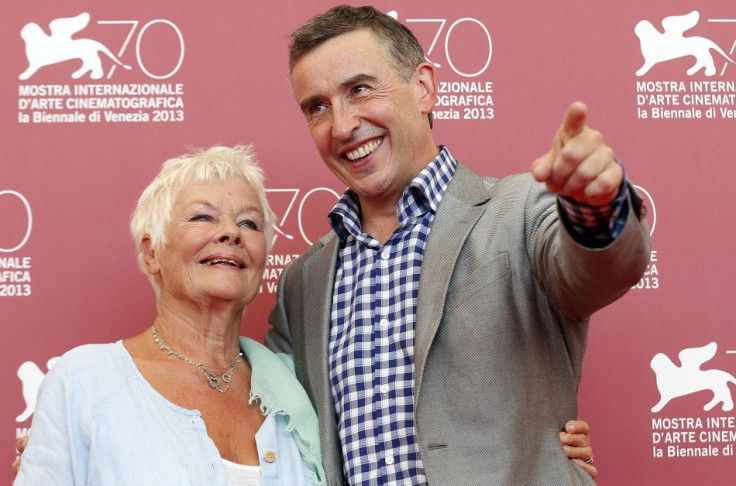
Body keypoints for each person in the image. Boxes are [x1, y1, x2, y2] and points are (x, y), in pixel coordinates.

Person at [265, 5, 650, 485]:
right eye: (317, 106)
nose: (341, 125)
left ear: (423, 86)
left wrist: (596, 209)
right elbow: (270, 426)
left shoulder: (520, 210)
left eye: (360, 89)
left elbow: (596, 272)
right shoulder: (302, 282)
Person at [14, 146, 325, 486]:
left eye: (249, 223)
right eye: (202, 217)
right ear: (151, 253)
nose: (231, 233)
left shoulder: (299, 387)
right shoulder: (84, 382)